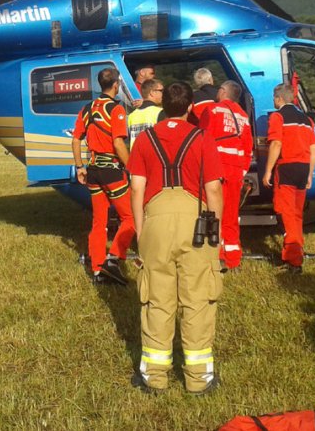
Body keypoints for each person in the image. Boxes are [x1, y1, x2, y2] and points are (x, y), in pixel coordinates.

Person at [128, 82, 224, 395]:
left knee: (157, 300)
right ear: (191, 106)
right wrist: (216, 230)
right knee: (198, 300)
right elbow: (213, 189)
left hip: (155, 222)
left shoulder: (145, 139)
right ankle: (199, 380)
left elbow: (137, 188)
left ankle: (154, 378)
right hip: (196, 222)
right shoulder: (202, 138)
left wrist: (141, 230)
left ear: (163, 105)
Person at [71, 67, 137, 285]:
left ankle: (98, 270)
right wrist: (132, 168)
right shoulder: (116, 109)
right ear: (116, 85)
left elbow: (75, 139)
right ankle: (113, 259)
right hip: (111, 171)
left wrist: (79, 167)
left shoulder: (87, 108)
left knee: (99, 222)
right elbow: (118, 143)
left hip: (93, 171)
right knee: (131, 218)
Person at [262, 83, 315, 274]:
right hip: (303, 168)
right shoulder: (306, 120)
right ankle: (297, 250)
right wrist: (310, 173)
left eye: (273, 98)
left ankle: (294, 260)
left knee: (285, 213)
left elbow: (276, 144)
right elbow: (314, 149)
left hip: (286, 168)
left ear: (279, 99)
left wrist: (268, 170)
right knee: (297, 213)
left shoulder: (278, 117)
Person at [199, 80, 253, 271]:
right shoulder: (243, 116)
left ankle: (217, 256)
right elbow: (248, 148)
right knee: (231, 214)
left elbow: (203, 139)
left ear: (222, 91)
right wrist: (242, 171)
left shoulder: (212, 110)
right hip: (236, 170)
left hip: (217, 168)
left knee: (214, 213)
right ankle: (234, 258)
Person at [127, 78, 165, 148]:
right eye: (161, 91)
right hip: (152, 154)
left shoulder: (131, 116)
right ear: (152, 93)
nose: (163, 94)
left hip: (135, 154)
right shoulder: (160, 112)